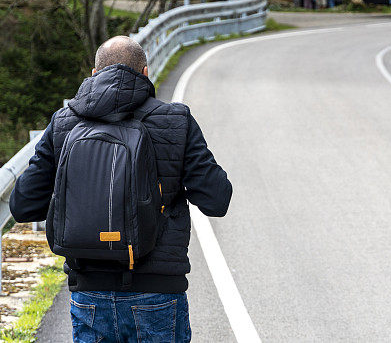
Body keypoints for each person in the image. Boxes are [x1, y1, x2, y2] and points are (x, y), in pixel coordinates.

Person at [10, 36, 233, 343]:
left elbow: (23, 206)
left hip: (90, 291)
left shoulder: (64, 122)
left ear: (93, 74)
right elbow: (217, 200)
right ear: (145, 73)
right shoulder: (177, 120)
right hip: (158, 291)